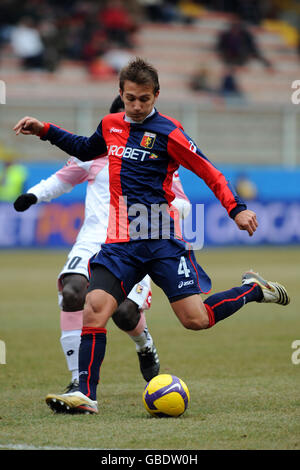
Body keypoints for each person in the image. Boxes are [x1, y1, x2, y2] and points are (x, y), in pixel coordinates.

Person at [13, 57, 290, 415]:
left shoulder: (170, 132)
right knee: (94, 309)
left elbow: (210, 172)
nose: (137, 105)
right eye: (131, 98)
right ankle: (86, 394)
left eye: (144, 98)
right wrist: (45, 129)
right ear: (121, 94)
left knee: (195, 320)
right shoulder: (110, 125)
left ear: (156, 95)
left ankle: (253, 289)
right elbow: (84, 149)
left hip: (161, 239)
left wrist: (236, 209)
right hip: (119, 242)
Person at [13, 95, 191, 391]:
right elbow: (62, 179)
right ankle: (76, 380)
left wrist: (169, 212)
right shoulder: (95, 153)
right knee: (72, 293)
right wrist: (33, 195)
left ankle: (143, 343)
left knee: (124, 313)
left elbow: (181, 201)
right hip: (94, 238)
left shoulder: (157, 157)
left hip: (136, 241)